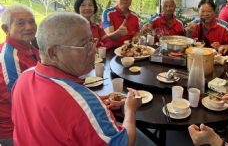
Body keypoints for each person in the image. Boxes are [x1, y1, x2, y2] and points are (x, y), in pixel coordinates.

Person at [11, 13, 139, 145]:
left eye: (92, 41)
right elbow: (125, 142)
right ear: (53, 53)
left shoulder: (23, 78)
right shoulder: (83, 102)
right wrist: (130, 110)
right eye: (85, 45)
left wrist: (94, 104)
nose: (94, 50)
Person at [0, 5, 40, 146]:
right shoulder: (10, 58)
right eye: (21, 23)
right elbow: (21, 103)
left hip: (29, 116)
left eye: (32, 21)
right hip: (14, 129)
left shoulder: (29, 47)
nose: (29, 27)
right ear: (6, 29)